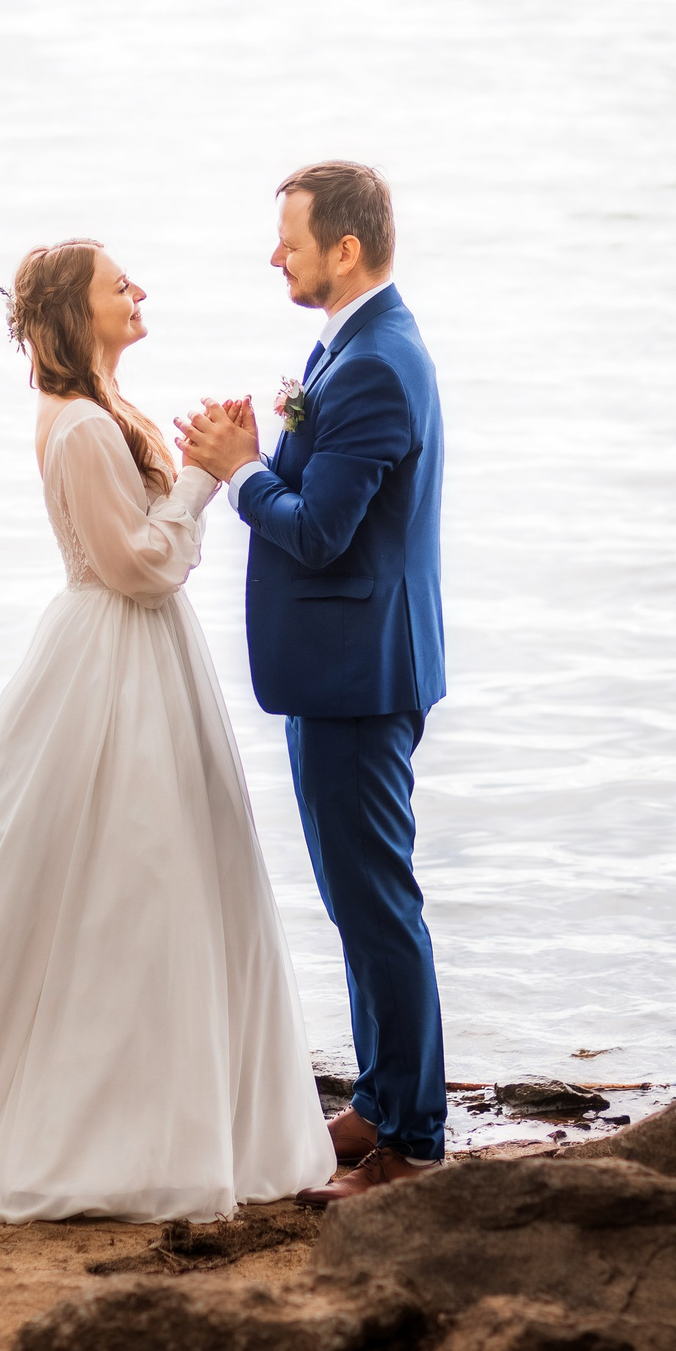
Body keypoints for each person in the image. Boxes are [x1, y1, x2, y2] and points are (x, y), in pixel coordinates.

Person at [0, 240, 332, 1222]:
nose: (138, 292)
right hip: (114, 657)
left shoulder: (103, 409)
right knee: (130, 880)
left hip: (137, 655)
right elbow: (138, 567)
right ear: (73, 312)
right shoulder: (84, 426)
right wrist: (201, 480)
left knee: (149, 876)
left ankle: (161, 1120)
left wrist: (196, 464)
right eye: (117, 285)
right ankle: (100, 1136)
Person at [177, 161, 447, 1204]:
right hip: (340, 670)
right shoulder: (349, 346)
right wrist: (257, 452)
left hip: (360, 677)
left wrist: (241, 470)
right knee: (354, 899)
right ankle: (379, 1100)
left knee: (377, 904)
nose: (274, 257)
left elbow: (323, 533)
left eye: (289, 242)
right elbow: (322, 490)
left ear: (345, 248)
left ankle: (412, 1141)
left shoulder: (376, 363)